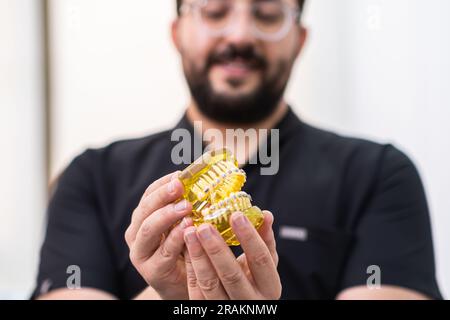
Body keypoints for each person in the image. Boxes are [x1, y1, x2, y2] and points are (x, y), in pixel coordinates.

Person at [33, 0, 442, 300]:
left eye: (266, 14)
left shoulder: (379, 174)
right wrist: (168, 295)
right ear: (177, 33)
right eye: (213, 11)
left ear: (300, 40)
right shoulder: (90, 177)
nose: (241, 34)